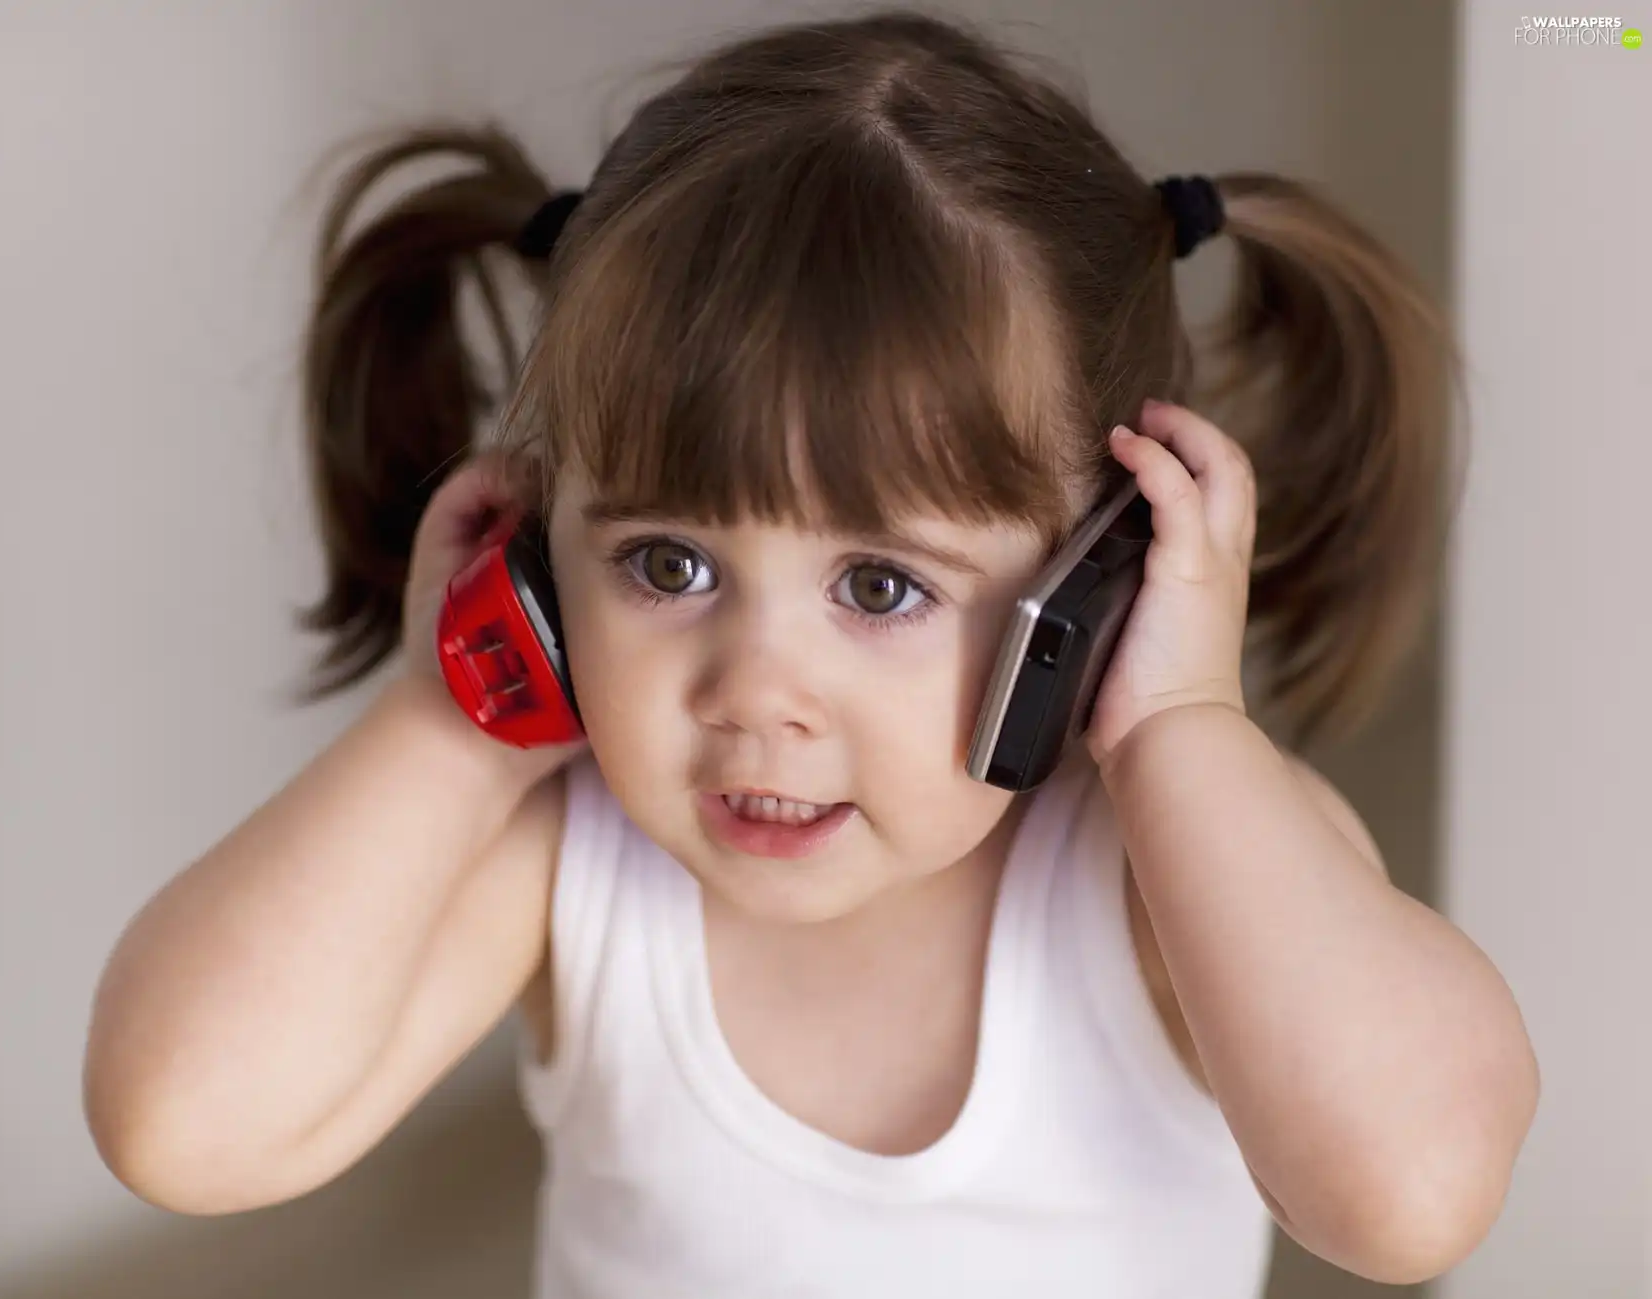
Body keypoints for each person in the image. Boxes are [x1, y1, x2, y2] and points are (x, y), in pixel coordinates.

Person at [82, 11, 1538, 1297]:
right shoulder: (573, 867)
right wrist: (453, 718)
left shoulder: (1166, 882)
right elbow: (181, 1122)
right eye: (671, 563)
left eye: (882, 586)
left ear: (1106, 579)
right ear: (536, 551)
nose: (752, 690)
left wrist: (1181, 734)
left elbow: (1412, 1194)